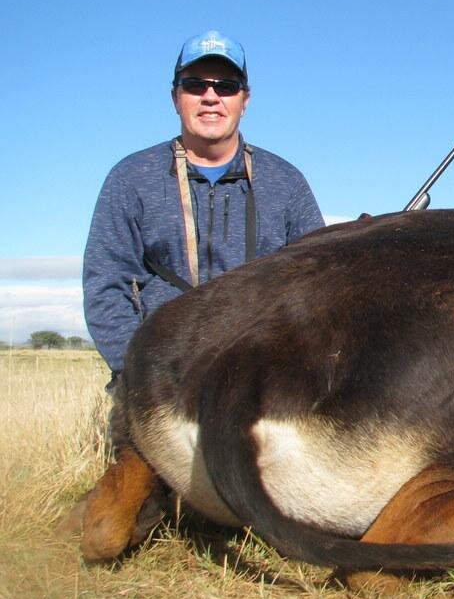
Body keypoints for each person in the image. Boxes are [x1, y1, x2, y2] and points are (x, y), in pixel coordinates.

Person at [84, 30, 325, 380]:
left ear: (245, 100)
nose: (211, 97)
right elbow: (105, 285)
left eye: (226, 86)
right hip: (160, 378)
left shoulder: (286, 182)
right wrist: (138, 371)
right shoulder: (131, 177)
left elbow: (316, 285)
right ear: (175, 97)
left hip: (262, 382)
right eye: (196, 85)